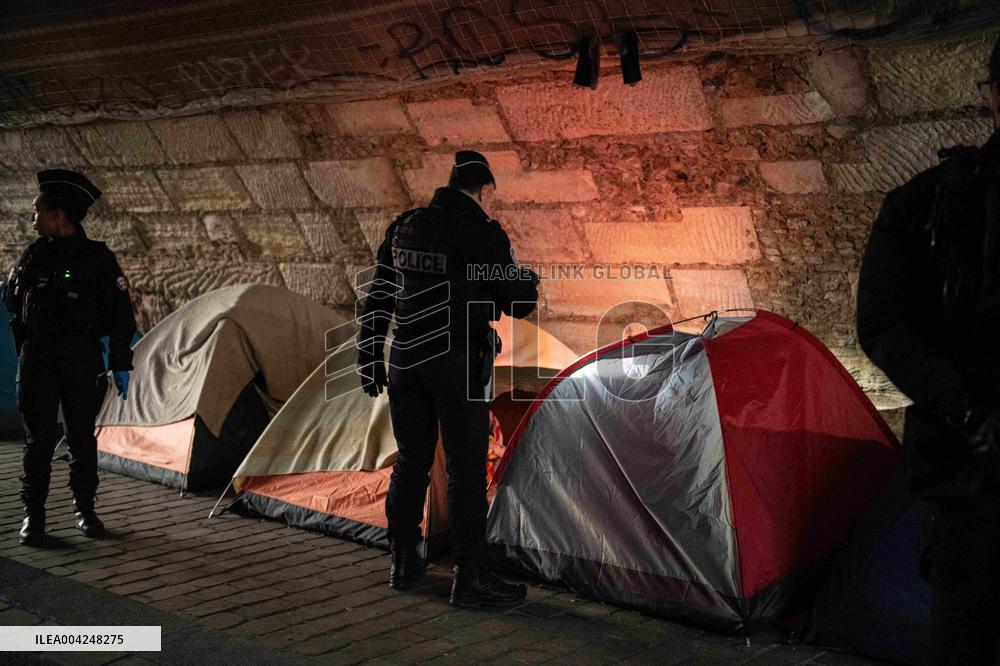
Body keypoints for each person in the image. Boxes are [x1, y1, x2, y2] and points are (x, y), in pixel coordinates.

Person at [856, 38, 1000, 663]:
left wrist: (968, 411)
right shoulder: (926, 206)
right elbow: (886, 325)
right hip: (970, 476)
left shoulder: (924, 204)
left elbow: (886, 327)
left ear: (992, 95)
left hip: (967, 468)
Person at [357, 150, 539, 607]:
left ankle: (403, 561)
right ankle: (470, 575)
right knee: (464, 470)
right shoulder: (482, 233)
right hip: (457, 360)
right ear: (485, 190)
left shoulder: (405, 226)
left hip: (405, 359)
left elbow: (379, 292)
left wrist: (368, 354)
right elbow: (517, 303)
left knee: (411, 461)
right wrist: (527, 280)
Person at [5, 170, 136, 547]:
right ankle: (35, 515)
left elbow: (120, 314)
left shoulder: (98, 259)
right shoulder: (34, 254)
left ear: (58, 215)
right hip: (38, 360)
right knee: (38, 442)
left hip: (81, 360)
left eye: (38, 210)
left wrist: (121, 361)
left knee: (81, 439)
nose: (33, 216)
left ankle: (85, 510)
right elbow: (13, 301)